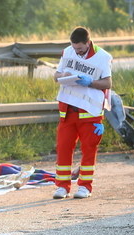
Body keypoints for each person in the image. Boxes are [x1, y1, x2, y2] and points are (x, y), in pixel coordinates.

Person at [52, 27, 112, 199]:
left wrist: (90, 82)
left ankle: (85, 187)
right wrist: (63, 74)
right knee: (63, 148)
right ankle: (62, 187)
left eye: (79, 48)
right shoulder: (68, 52)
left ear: (88, 43)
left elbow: (107, 83)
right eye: (74, 48)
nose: (76, 52)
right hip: (68, 111)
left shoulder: (103, 57)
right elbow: (56, 76)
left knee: (89, 150)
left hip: (90, 113)